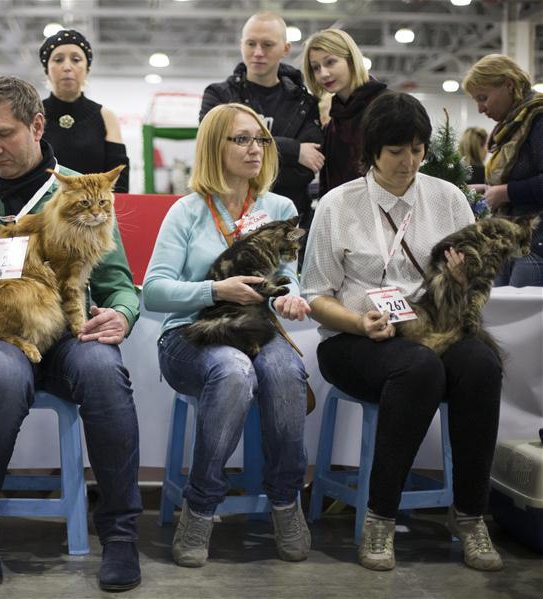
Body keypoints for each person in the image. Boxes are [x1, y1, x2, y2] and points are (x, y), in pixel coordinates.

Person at [0, 75, 142, 592]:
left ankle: (120, 535)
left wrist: (122, 315)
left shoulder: (79, 188)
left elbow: (120, 285)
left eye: (3, 135)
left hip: (69, 334)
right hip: (3, 335)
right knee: (0, 381)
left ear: (37, 125)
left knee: (105, 374)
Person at [300, 92, 503, 573]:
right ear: (372, 151)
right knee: (418, 370)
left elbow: (479, 282)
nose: (408, 162)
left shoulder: (448, 199)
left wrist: (461, 281)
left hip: (434, 328)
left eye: (416, 149)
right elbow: (315, 297)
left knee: (481, 365)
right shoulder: (338, 204)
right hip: (354, 338)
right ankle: (380, 516)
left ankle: (471, 514)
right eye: (396, 151)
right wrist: (357, 322)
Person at [142, 102, 312, 567]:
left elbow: (286, 275)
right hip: (191, 334)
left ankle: (285, 501)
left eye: (260, 139)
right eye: (241, 139)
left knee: (286, 369)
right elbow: (152, 293)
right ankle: (200, 507)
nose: (255, 148)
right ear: (214, 146)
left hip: (256, 328)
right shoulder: (187, 211)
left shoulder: (280, 207)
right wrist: (215, 289)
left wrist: (288, 296)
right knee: (234, 372)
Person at [200, 11, 323, 230]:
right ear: (241, 45)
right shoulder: (218, 95)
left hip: (290, 223)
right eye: (251, 44)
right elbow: (213, 150)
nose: (258, 52)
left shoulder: (304, 103)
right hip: (226, 219)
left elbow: (305, 171)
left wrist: (240, 151)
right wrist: (295, 150)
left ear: (285, 49)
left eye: (267, 45)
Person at [463, 54, 543, 286]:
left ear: (509, 84)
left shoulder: (538, 119)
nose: (480, 108)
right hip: (508, 242)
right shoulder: (512, 126)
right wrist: (488, 190)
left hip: (535, 246)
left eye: (483, 97)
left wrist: (506, 192)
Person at [38, 29, 130, 193]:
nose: (67, 67)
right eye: (58, 60)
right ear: (47, 70)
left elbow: (119, 180)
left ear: (87, 68)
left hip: (94, 213)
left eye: (76, 59)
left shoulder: (106, 117)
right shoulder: (32, 115)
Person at [302, 28, 388, 196]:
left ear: (351, 60)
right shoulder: (332, 126)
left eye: (330, 62)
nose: (323, 74)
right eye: (316, 68)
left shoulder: (388, 107)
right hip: (342, 219)